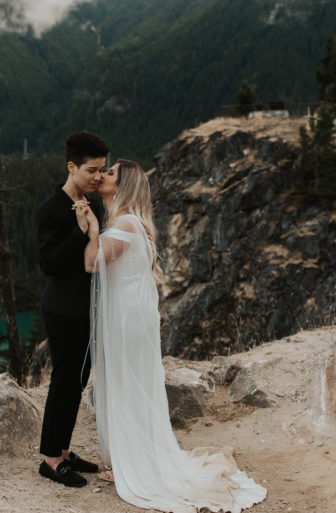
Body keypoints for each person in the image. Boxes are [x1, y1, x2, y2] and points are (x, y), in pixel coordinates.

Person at [73, 159, 267, 512]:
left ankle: (133, 464)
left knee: (127, 385)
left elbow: (91, 263)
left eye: (111, 173)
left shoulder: (126, 224)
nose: (103, 176)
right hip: (133, 318)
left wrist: (90, 232)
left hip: (127, 321)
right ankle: (128, 458)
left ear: (123, 186)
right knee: (131, 385)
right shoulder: (130, 223)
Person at [36, 130, 108, 488]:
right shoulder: (51, 209)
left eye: (102, 170)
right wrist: (79, 232)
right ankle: (50, 460)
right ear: (71, 166)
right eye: (92, 170)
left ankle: (63, 452)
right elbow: (49, 264)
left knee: (77, 381)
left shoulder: (92, 204)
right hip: (64, 309)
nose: (98, 177)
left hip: (85, 308)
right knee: (65, 381)